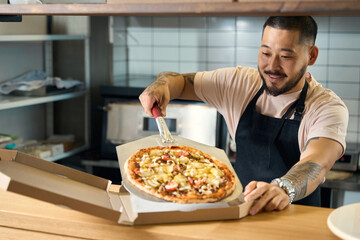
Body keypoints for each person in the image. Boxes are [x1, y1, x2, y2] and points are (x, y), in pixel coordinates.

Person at [139, 16, 348, 215]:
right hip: (240, 214)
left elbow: (316, 163)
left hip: (297, 222)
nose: (272, 66)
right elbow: (180, 81)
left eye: (285, 56)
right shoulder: (239, 83)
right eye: (265, 53)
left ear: (311, 55)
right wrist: (162, 85)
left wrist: (283, 188)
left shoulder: (326, 107)